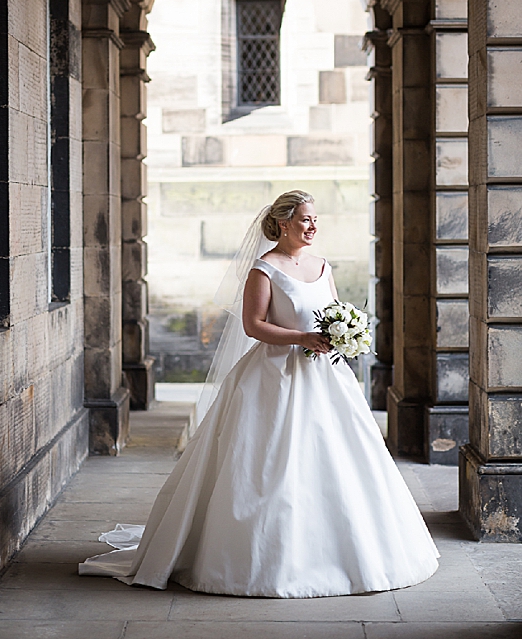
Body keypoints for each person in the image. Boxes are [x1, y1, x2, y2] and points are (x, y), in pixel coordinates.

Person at [79, 190, 439, 597]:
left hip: (326, 378)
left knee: (340, 458)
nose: (313, 226)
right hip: (275, 376)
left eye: (315, 219)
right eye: (305, 219)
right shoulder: (264, 269)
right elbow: (254, 326)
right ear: (283, 223)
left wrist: (345, 331)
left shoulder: (322, 265)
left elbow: (335, 308)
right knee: (269, 462)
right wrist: (302, 336)